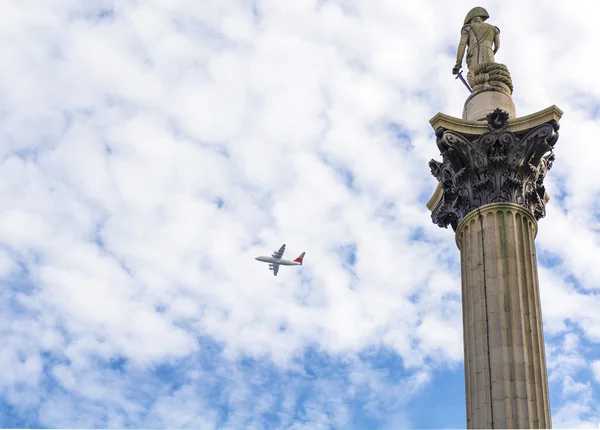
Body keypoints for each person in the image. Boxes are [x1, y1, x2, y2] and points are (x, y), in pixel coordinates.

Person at [452, 7, 500, 75]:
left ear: (472, 20)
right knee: (490, 79)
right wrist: (492, 53)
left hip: (474, 57)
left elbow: (462, 45)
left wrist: (458, 64)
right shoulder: (494, 29)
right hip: (489, 56)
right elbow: (497, 46)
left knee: (477, 81)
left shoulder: (467, 28)